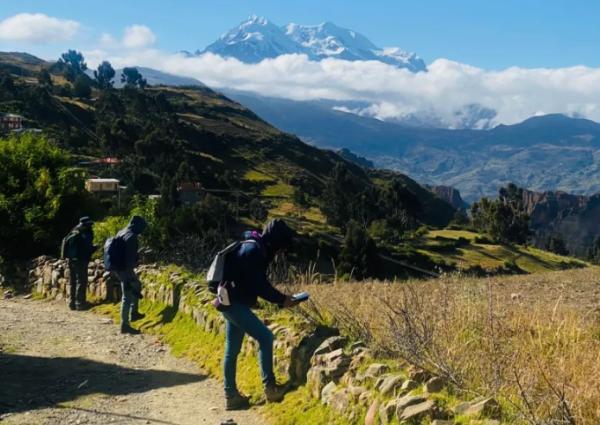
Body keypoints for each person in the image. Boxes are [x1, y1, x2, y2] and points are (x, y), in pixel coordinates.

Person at [220, 218, 301, 411]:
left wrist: (251, 299)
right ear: (276, 241)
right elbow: (259, 285)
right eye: (282, 247)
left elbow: (245, 279)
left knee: (232, 350)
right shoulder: (256, 251)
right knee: (265, 337)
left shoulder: (251, 245)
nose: (281, 252)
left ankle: (231, 395)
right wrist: (283, 299)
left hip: (227, 301)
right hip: (235, 304)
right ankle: (270, 388)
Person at [113, 215, 147, 335]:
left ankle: (134, 313)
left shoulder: (121, 232)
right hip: (126, 269)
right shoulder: (132, 237)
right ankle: (125, 325)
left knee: (137, 285)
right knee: (127, 296)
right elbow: (130, 258)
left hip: (118, 268)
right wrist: (136, 262)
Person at [63, 216, 96, 311]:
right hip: (80, 260)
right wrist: (94, 248)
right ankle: (80, 303)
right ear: (87, 224)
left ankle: (72, 303)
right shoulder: (85, 232)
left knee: (73, 282)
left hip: (70, 260)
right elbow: (87, 248)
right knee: (81, 281)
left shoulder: (73, 230)